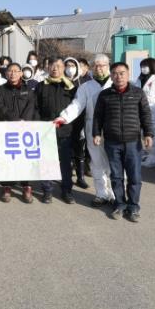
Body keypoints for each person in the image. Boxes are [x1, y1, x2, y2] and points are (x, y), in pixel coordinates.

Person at [93, 62, 154, 222]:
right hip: (112, 142)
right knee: (116, 176)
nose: (118, 76)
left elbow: (146, 114)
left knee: (134, 177)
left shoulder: (138, 93)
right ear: (111, 76)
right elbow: (98, 116)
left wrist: (148, 133)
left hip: (133, 142)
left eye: (122, 73)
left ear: (128, 74)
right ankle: (120, 204)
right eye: (115, 73)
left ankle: (133, 207)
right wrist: (96, 133)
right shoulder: (105, 95)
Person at [55, 54, 114, 207]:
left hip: (113, 129)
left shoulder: (115, 83)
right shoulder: (86, 87)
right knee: (96, 162)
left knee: (114, 163)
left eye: (102, 65)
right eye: (96, 65)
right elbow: (77, 105)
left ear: (108, 66)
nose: (99, 68)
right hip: (92, 129)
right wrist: (63, 117)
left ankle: (115, 194)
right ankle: (101, 194)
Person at [0, 63, 39, 203]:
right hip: (6, 129)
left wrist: (23, 121)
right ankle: (6, 187)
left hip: (24, 129)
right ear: (6, 73)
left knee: (24, 159)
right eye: (10, 71)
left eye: (15, 71)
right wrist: (16, 120)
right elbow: (0, 107)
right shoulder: (0, 90)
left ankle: (26, 187)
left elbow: (31, 107)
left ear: (21, 73)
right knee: (7, 159)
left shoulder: (28, 90)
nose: (12, 73)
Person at [35, 58, 77, 204]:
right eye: (52, 66)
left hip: (65, 131)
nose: (55, 68)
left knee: (65, 163)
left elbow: (76, 108)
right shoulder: (41, 86)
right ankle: (47, 191)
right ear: (48, 68)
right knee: (46, 162)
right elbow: (36, 107)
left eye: (58, 66)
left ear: (63, 68)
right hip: (46, 130)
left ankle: (67, 191)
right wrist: (41, 125)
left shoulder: (71, 87)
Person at [64, 57, 89, 189]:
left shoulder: (84, 83)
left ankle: (81, 177)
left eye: (73, 65)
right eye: (67, 65)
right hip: (65, 120)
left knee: (80, 149)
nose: (70, 68)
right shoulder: (61, 81)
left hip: (80, 120)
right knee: (66, 151)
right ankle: (66, 177)